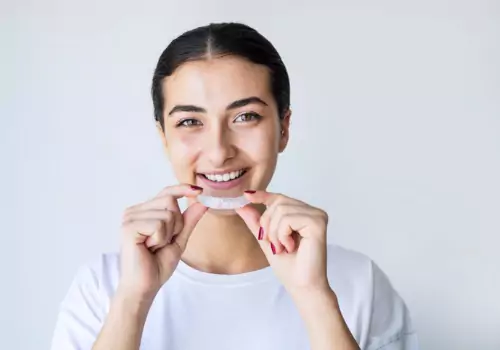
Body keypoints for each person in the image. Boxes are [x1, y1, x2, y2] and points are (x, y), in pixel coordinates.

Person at [50, 22, 419, 350]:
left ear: (284, 128)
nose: (219, 151)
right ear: (164, 137)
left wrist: (314, 297)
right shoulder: (103, 287)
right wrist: (132, 301)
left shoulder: (359, 285)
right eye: (190, 122)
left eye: (246, 117)